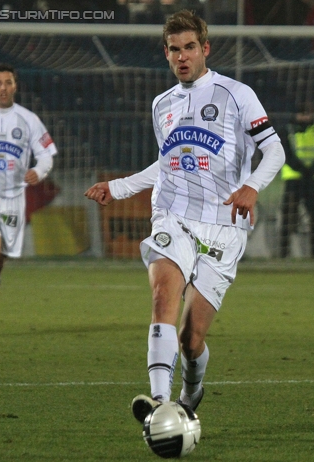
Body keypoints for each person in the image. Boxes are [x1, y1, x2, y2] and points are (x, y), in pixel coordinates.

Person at [84, 10, 285, 423]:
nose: (182, 56)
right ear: (166, 53)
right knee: (163, 297)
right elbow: (169, 163)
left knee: (191, 341)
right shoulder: (162, 105)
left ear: (205, 49)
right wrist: (119, 186)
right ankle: (159, 402)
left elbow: (275, 151)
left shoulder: (236, 95)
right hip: (173, 216)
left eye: (190, 47)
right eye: (174, 49)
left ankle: (191, 390)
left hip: (225, 227)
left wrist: (252, 187)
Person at [0, 63, 58, 339]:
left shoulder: (28, 120)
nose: (2, 88)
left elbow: (47, 153)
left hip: (14, 200)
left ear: (15, 86)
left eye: (7, 82)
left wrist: (40, 170)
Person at [278, 105, 314, 258]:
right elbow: (285, 153)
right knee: (288, 217)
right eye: (302, 114)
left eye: (307, 114)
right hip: (294, 179)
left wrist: (311, 170)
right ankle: (283, 253)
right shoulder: (288, 131)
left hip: (312, 180)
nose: (305, 117)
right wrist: (303, 169)